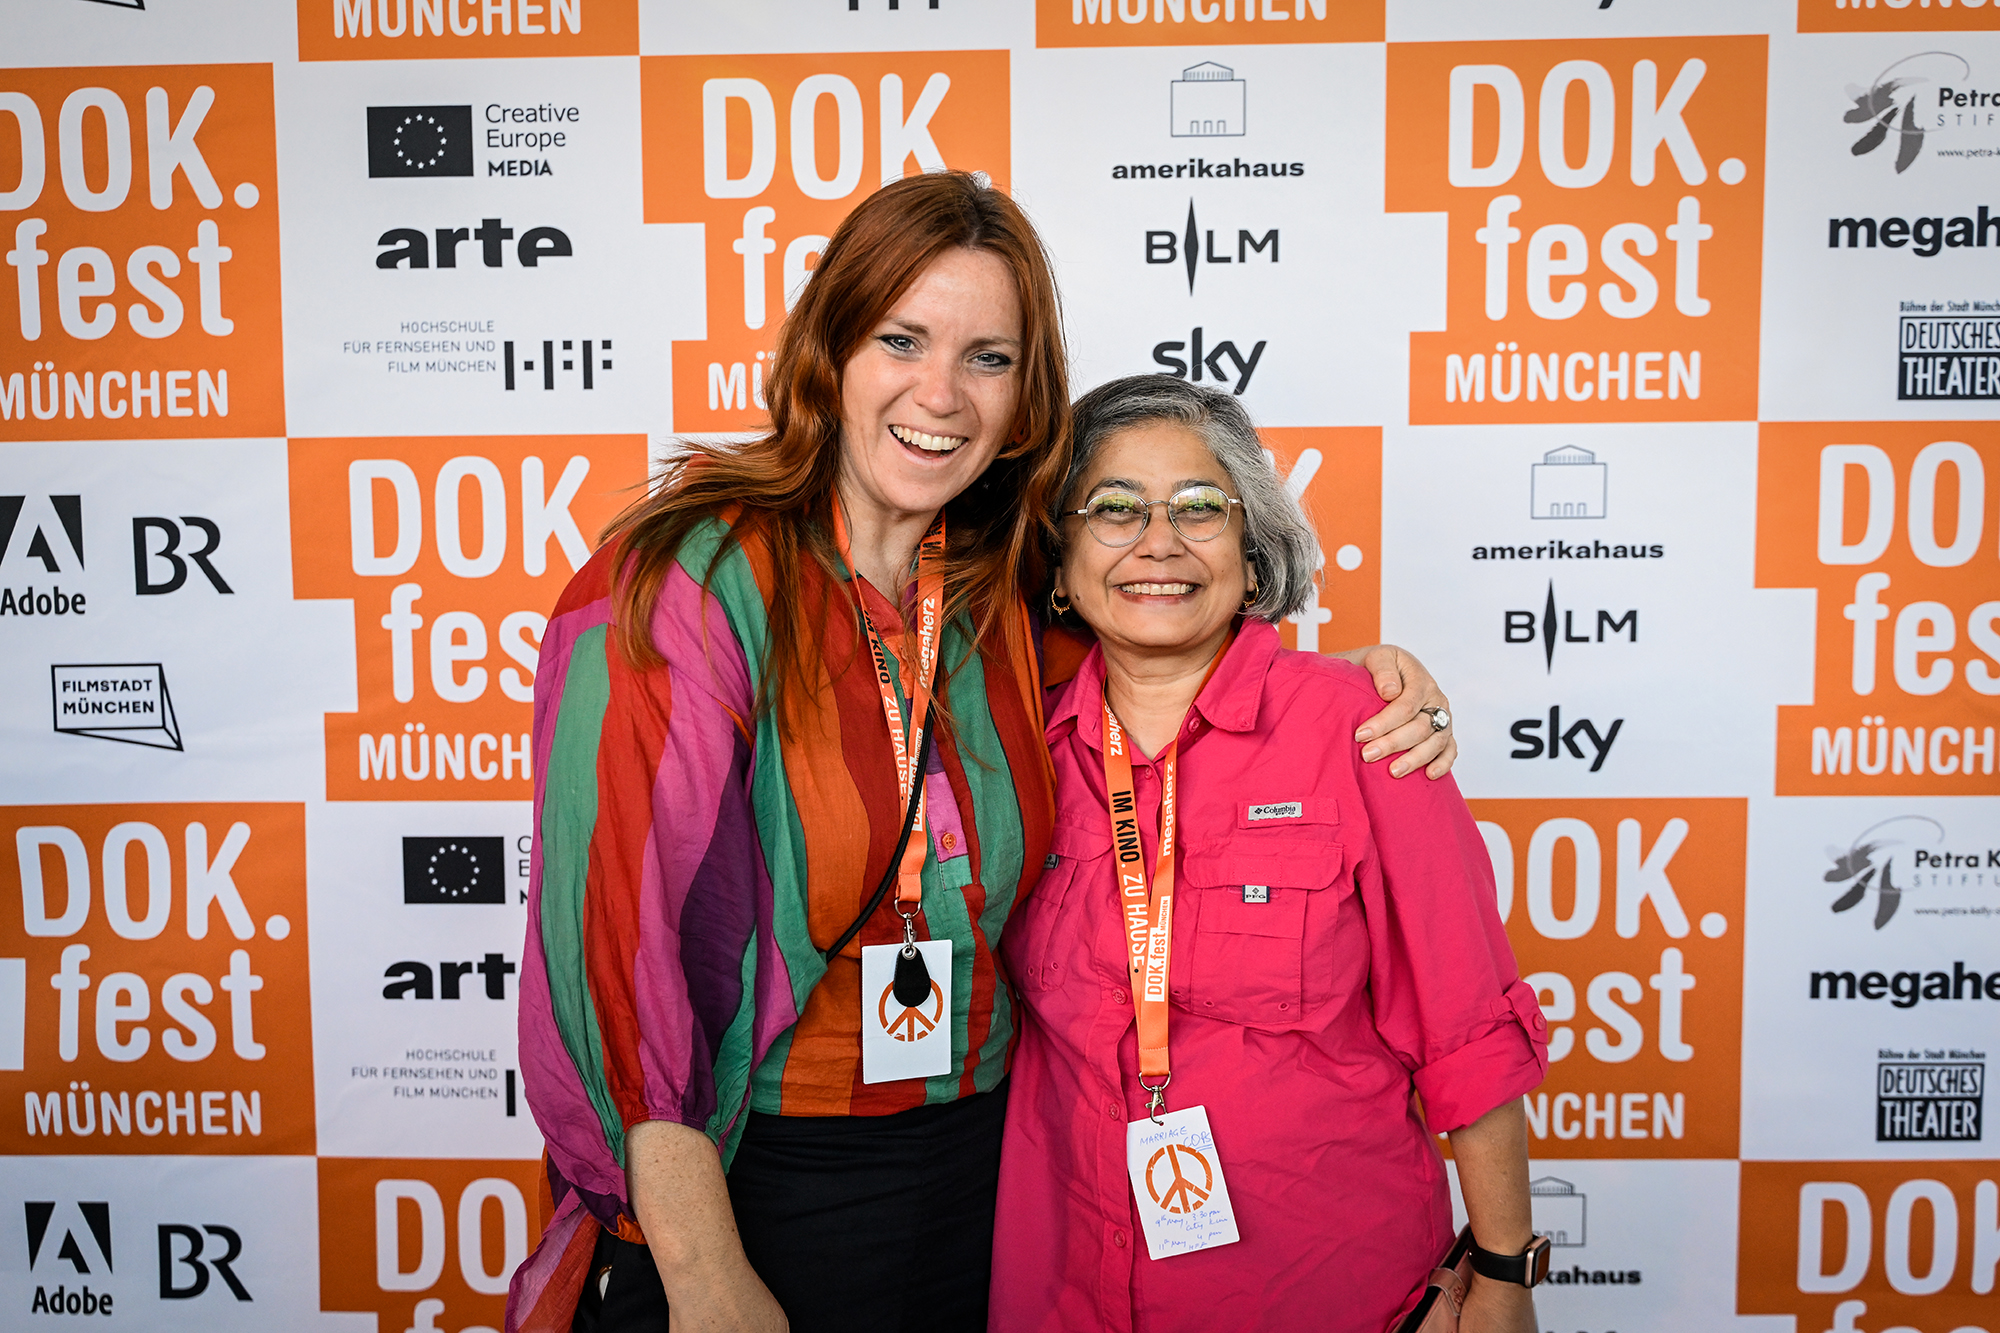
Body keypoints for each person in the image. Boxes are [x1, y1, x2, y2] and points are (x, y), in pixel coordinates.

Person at [505, 173, 1456, 1333]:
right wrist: (705, 1280)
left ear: (1025, 396)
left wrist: (1352, 682)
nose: (941, 394)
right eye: (901, 339)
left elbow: (1168, 650)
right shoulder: (687, 584)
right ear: (827, 350)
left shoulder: (1001, 588)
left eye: (988, 358)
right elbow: (621, 961)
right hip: (764, 1179)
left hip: (988, 1179)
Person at [990, 375, 1549, 1333]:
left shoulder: (1365, 728)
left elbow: (1465, 1028)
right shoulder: (1010, 748)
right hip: (1064, 1290)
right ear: (1061, 565)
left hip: (1323, 1290)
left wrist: (1503, 1274)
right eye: (1114, 508)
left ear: (1252, 559)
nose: (1158, 541)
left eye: (1200, 507)